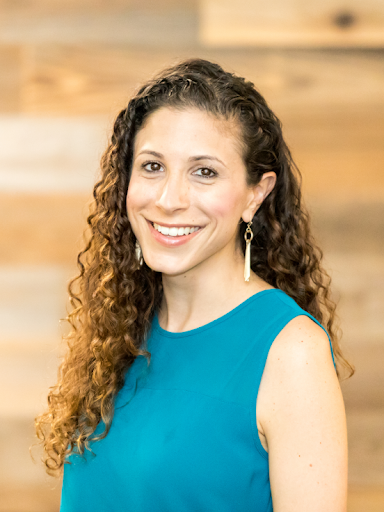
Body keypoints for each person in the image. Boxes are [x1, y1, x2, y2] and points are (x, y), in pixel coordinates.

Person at [35, 58, 354, 511]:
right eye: (152, 167)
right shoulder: (120, 326)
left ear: (255, 194)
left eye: (204, 172)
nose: (168, 200)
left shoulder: (291, 351)